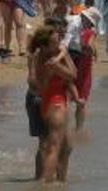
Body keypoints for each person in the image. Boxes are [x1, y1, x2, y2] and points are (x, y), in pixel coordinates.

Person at [31, 22, 77, 183]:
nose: (59, 44)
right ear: (45, 45)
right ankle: (47, 183)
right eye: (55, 42)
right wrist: (61, 59)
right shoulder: (49, 60)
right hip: (55, 103)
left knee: (65, 146)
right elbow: (72, 76)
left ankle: (60, 181)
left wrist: (63, 54)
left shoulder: (51, 54)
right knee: (54, 147)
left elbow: (73, 73)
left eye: (59, 40)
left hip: (53, 101)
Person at [69, 8, 98, 130]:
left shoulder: (81, 29)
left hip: (76, 66)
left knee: (70, 99)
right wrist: (89, 50)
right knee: (80, 101)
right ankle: (78, 129)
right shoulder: (88, 32)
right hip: (82, 68)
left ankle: (70, 129)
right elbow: (91, 48)